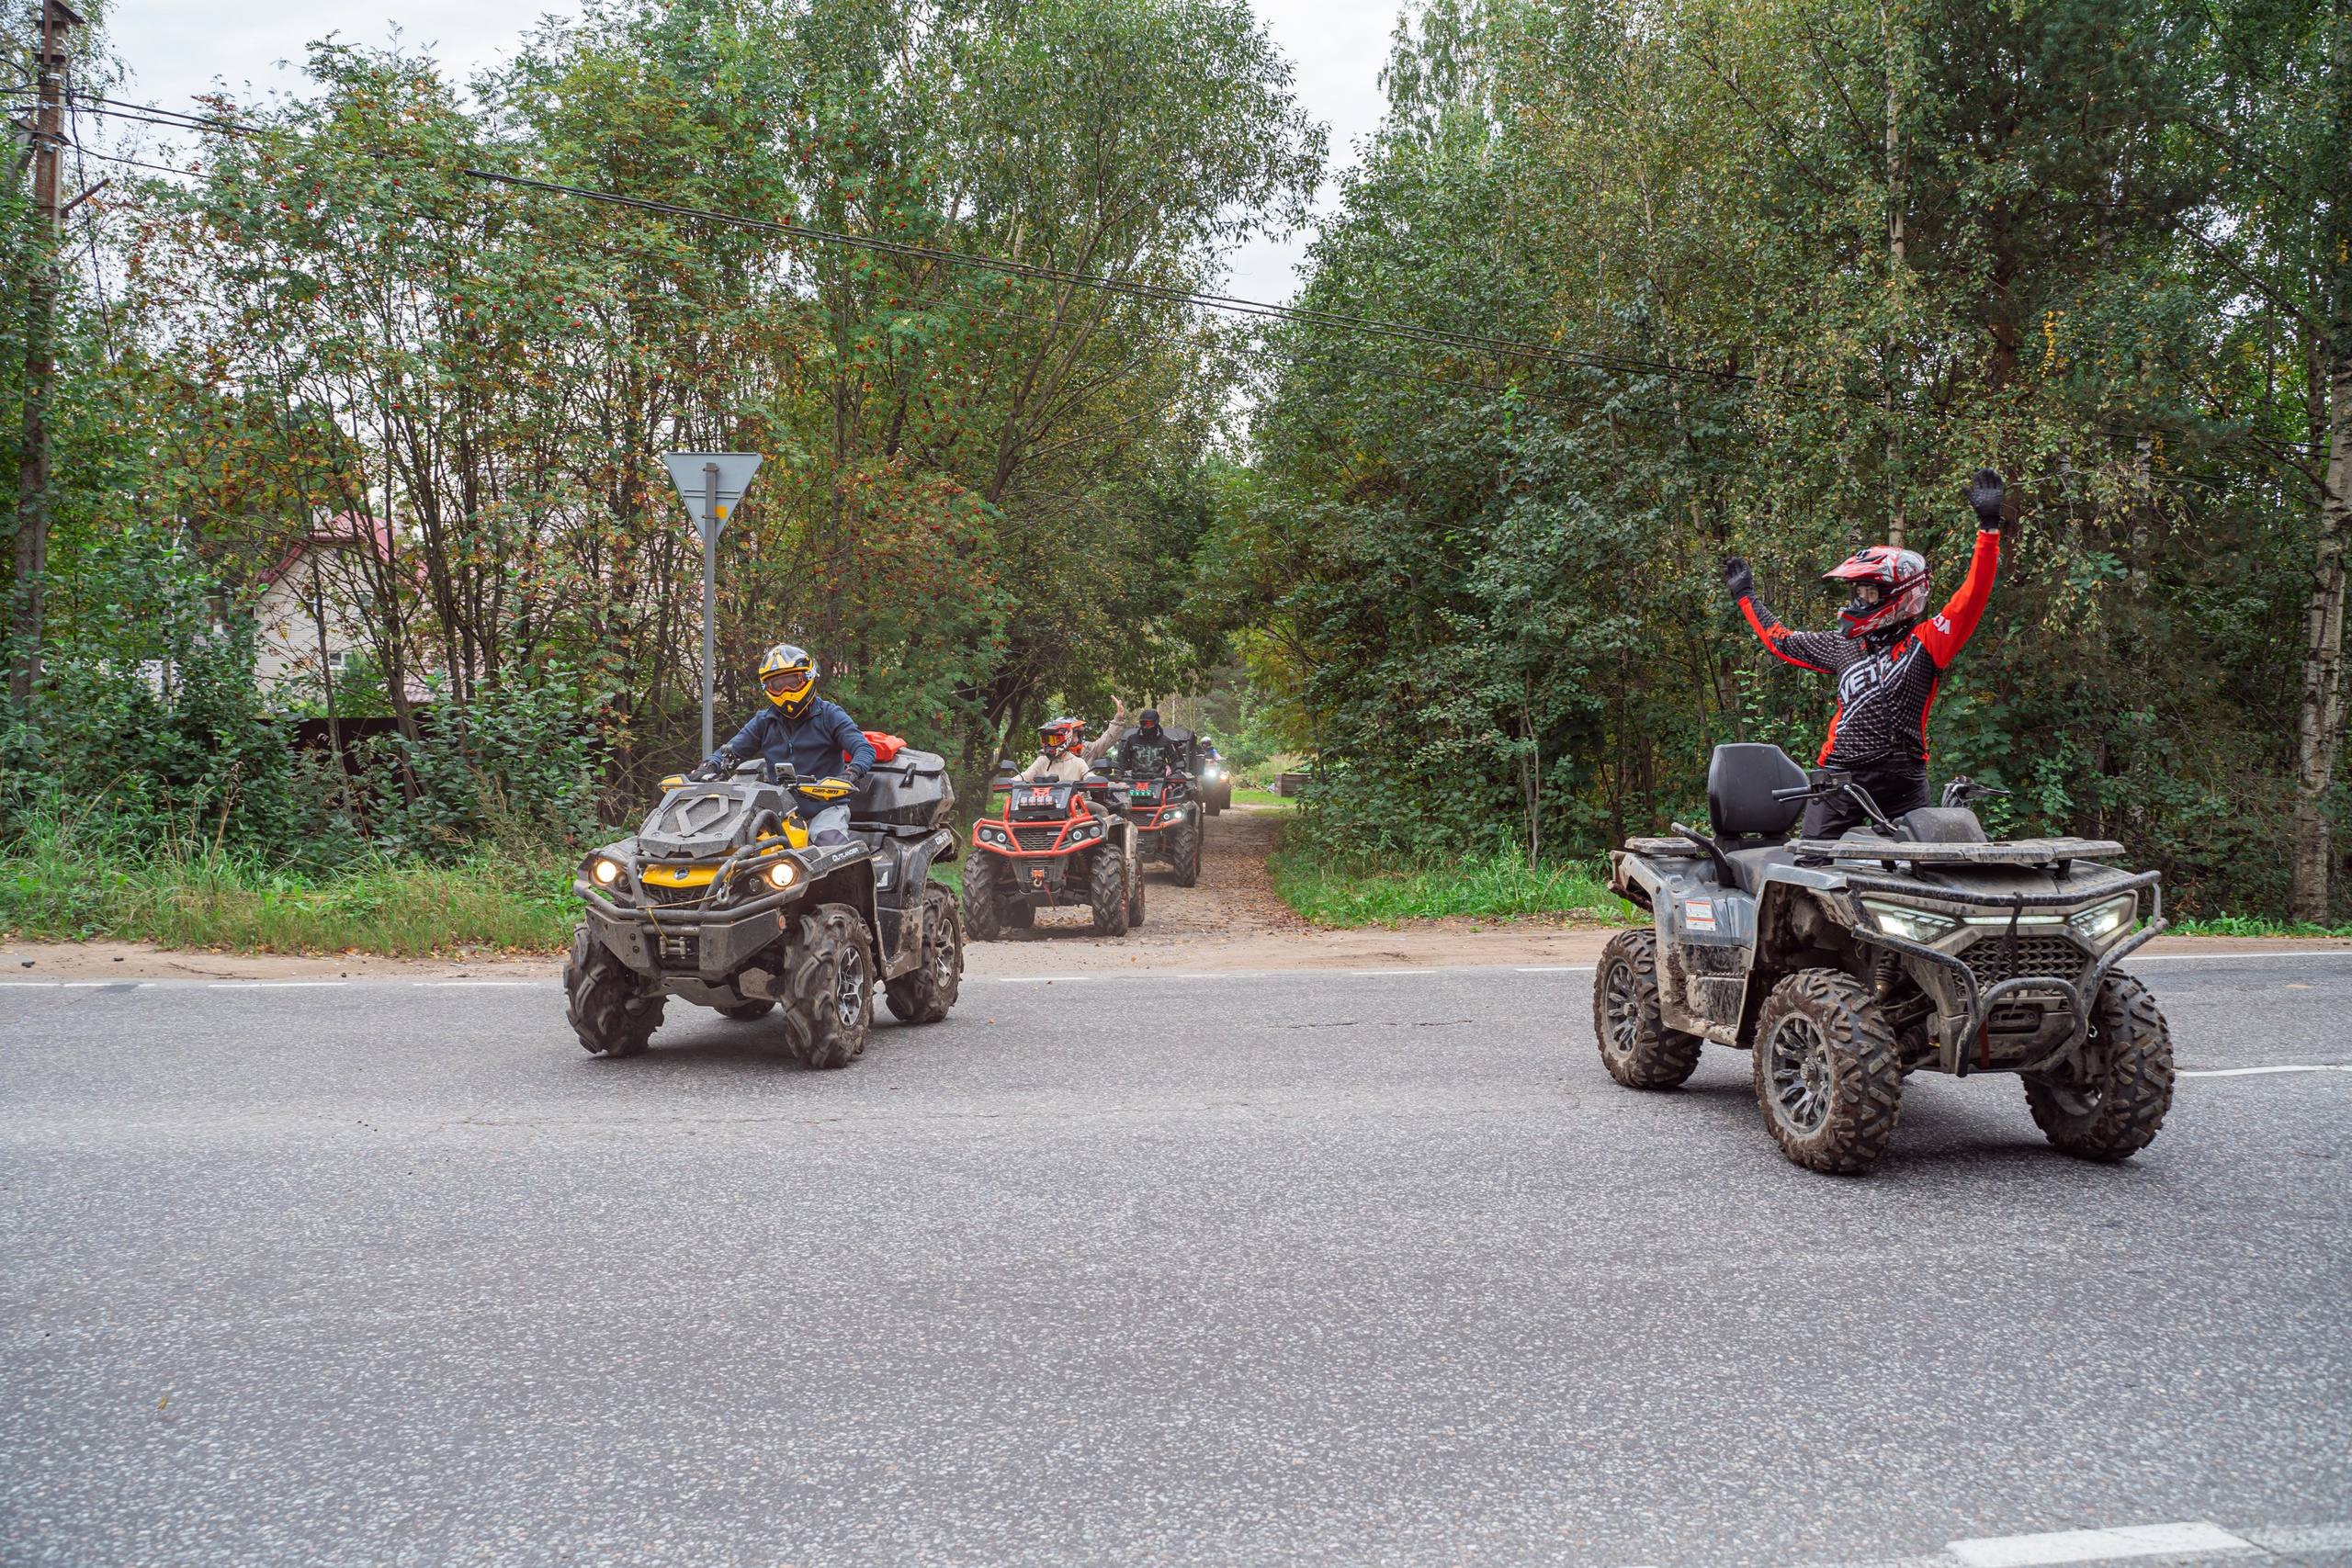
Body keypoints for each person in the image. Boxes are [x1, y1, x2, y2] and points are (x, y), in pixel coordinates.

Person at [1722, 469, 2010, 840]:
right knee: (1810, 867)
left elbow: (1972, 597)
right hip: (1839, 780)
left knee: (1923, 872)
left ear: (1901, 596)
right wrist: (1746, 595)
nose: (1859, 601)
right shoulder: (1845, 644)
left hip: (1903, 782)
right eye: (1857, 592)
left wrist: (1988, 530)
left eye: (1869, 594)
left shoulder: (1927, 642)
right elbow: (1783, 641)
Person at [696, 643, 876, 845]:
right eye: (777, 685)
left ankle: (862, 864)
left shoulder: (830, 715)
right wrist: (708, 766)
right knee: (739, 848)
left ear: (808, 677)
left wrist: (851, 772)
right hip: (779, 813)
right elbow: (730, 751)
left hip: (825, 810)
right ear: (767, 688)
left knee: (830, 848)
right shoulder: (764, 721)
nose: (785, 691)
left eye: (792, 681)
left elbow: (864, 748)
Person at [1017, 699, 1128, 783]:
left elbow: (1107, 739)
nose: (1074, 739)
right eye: (1072, 735)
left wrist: (1118, 718)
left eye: (1076, 735)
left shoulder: (1087, 751)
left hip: (1080, 799)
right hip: (1048, 800)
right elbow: (1027, 775)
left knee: (1102, 810)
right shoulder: (1044, 757)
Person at [1114, 707, 1185, 775]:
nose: (1146, 727)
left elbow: (1174, 760)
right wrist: (1119, 772)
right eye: (1144, 724)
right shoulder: (1132, 740)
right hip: (1135, 781)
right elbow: (1123, 758)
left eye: (1149, 724)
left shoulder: (1165, 742)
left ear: (1156, 723)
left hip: (1159, 781)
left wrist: (1176, 773)